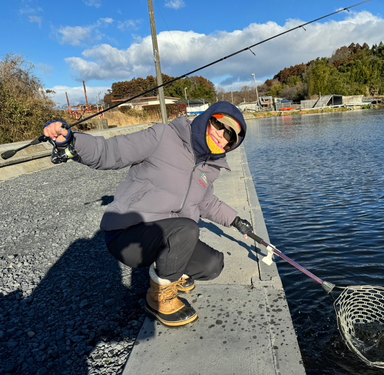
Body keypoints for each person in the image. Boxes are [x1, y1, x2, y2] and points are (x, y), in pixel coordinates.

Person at [43, 101, 254, 327]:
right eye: (219, 124)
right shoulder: (163, 136)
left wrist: (235, 220)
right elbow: (110, 152)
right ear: (207, 118)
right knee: (187, 228)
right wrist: (72, 140)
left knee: (213, 265)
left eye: (230, 136)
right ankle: (159, 299)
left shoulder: (210, 168)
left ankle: (170, 268)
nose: (222, 135)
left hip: (171, 235)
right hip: (129, 234)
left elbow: (206, 201)